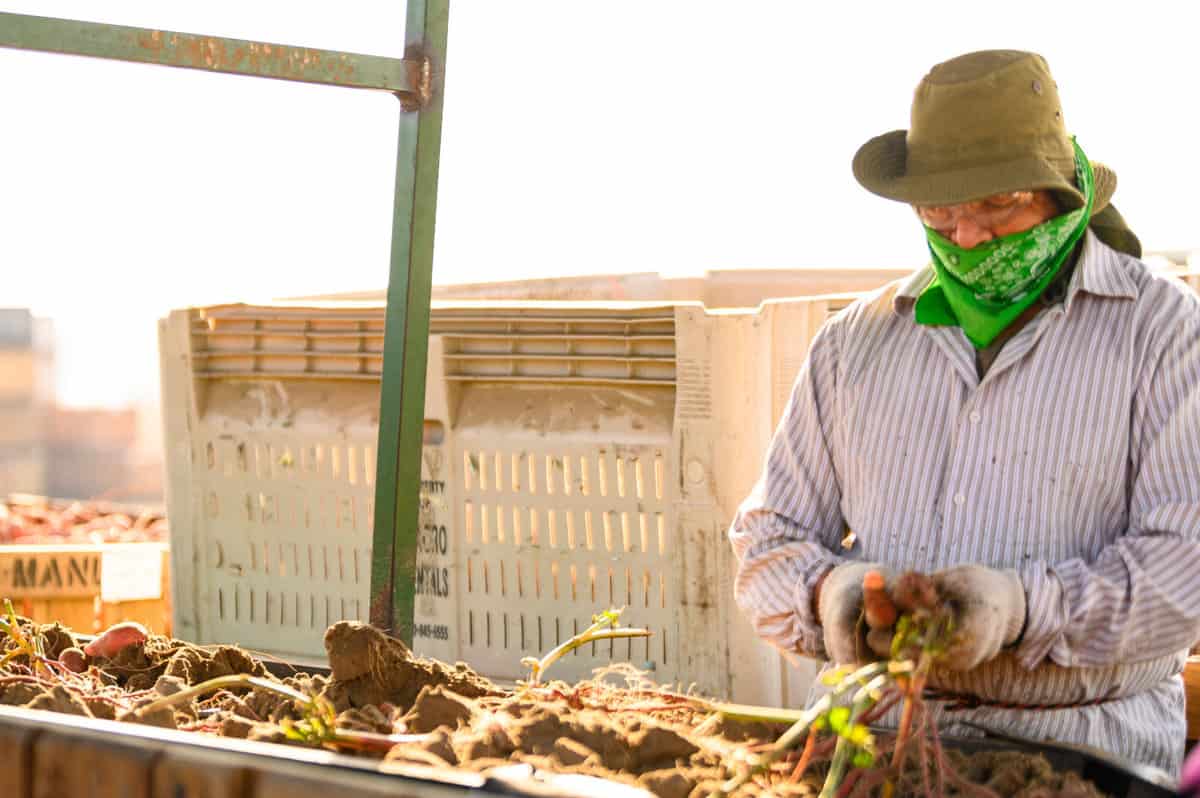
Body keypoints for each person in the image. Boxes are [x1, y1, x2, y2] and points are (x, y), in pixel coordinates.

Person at [728, 49, 1200, 776]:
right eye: (941, 209)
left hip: (1085, 753)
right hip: (876, 741)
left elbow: (1183, 571)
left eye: (998, 203)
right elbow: (769, 542)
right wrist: (836, 596)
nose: (969, 234)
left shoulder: (1163, 332)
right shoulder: (855, 343)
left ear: (1063, 192)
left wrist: (1021, 610)